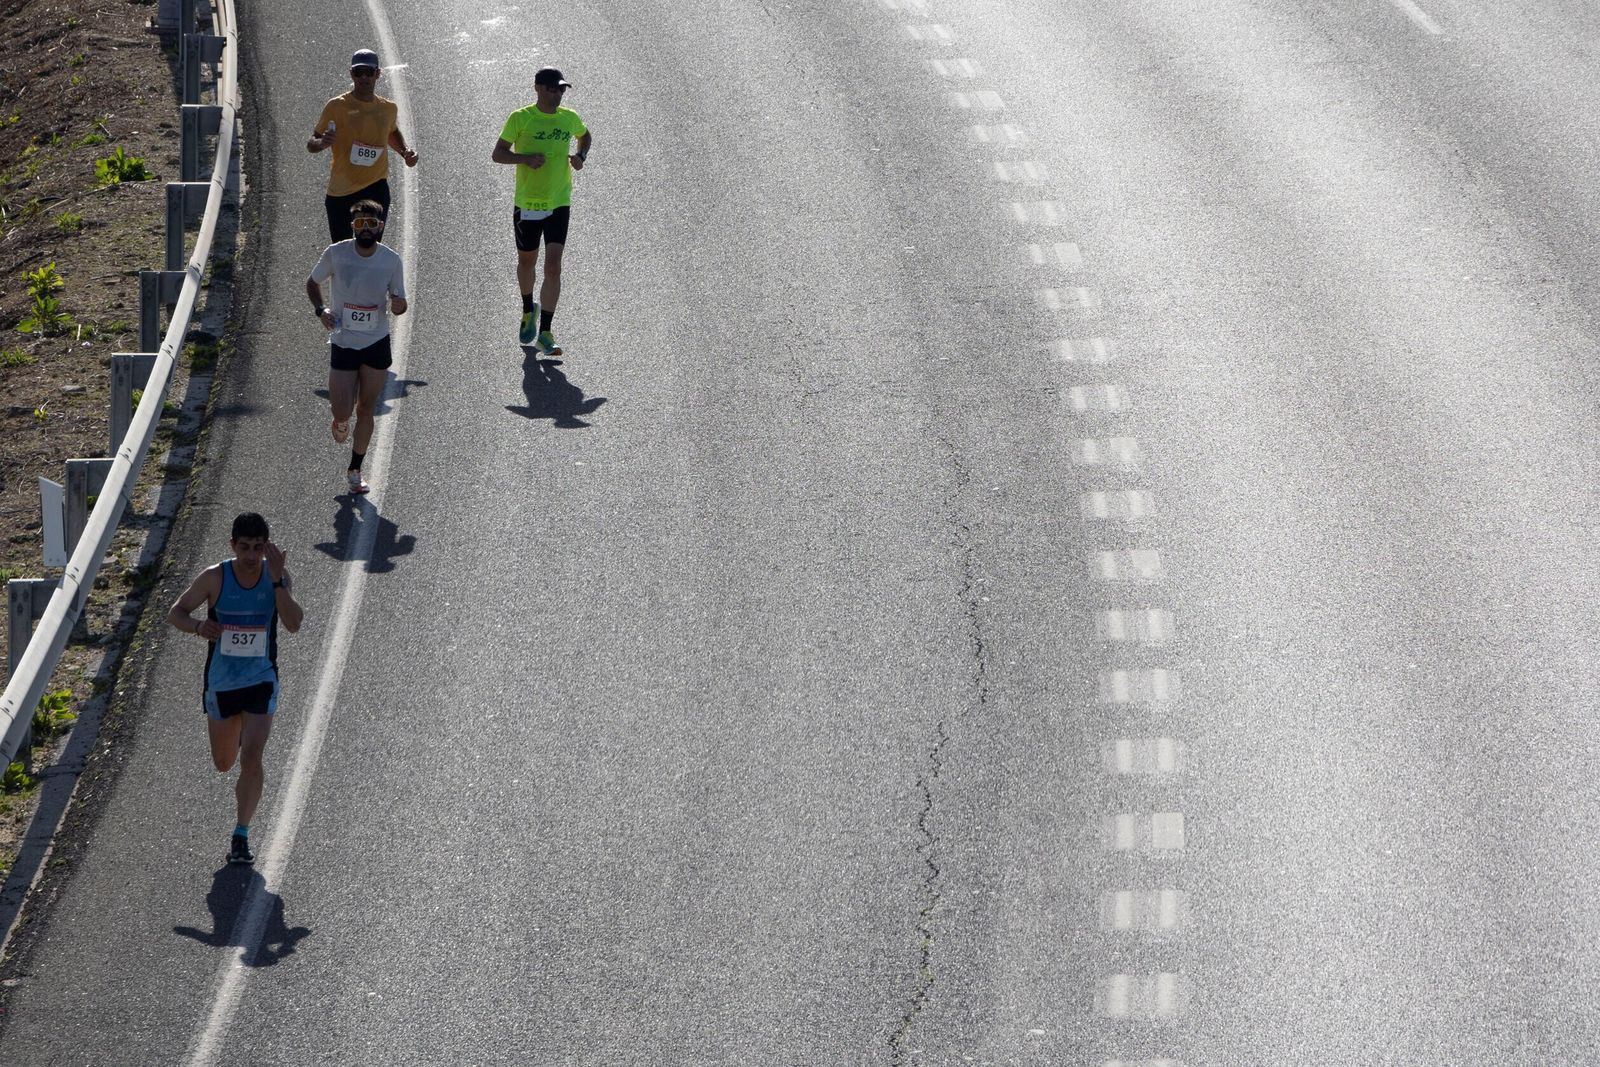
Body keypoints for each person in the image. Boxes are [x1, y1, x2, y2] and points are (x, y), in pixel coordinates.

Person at [166, 512, 304, 866]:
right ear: (232, 545)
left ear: (267, 546)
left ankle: (241, 835)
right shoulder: (215, 577)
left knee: (252, 757)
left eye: (258, 548)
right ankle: (238, 730)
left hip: (261, 679)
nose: (250, 556)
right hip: (222, 683)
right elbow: (176, 612)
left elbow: (293, 624)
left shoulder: (277, 576)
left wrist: (276, 583)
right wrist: (198, 627)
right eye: (244, 547)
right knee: (224, 762)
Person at [305, 199, 408, 495]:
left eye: (371, 224)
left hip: (376, 341)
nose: (365, 229)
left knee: (366, 408)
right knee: (342, 410)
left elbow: (399, 303)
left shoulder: (391, 260)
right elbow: (312, 283)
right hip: (343, 341)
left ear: (380, 227)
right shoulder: (336, 254)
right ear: (353, 227)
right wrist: (321, 310)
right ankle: (339, 421)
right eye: (360, 224)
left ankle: (355, 470)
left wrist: (399, 305)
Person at [492, 65, 592, 354]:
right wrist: (523, 159)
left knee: (553, 265)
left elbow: (585, 136)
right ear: (537, 88)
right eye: (552, 88)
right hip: (528, 203)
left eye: (561, 89)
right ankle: (527, 310)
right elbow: (498, 154)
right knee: (527, 263)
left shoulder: (569, 118)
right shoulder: (521, 118)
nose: (558, 93)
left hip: (559, 201)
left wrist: (581, 155)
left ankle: (546, 331)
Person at [307, 48, 418, 242]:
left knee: (369, 247)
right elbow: (311, 143)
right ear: (352, 74)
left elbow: (391, 131)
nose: (364, 77)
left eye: (369, 72)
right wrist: (322, 143)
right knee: (342, 249)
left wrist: (405, 152)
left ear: (378, 73)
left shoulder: (388, 108)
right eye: (359, 72)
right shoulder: (336, 106)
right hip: (341, 191)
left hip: (375, 187)